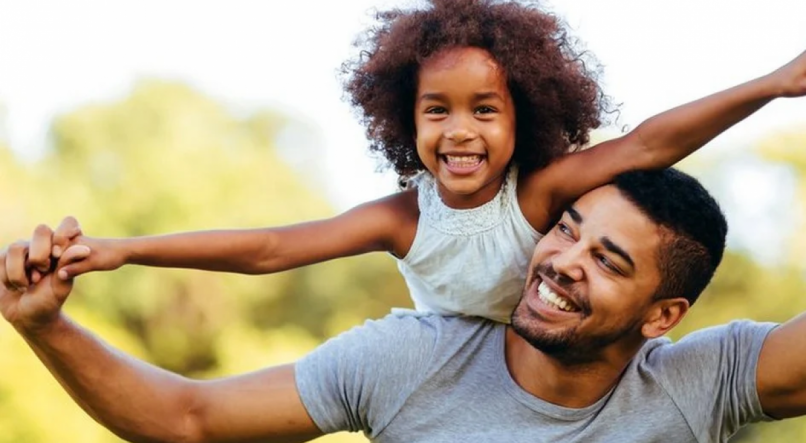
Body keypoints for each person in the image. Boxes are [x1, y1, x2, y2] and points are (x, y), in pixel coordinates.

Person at [42, 0, 806, 323]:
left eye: (485, 109)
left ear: (524, 116)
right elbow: (272, 248)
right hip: (452, 383)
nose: (459, 131)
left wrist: (774, 84)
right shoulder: (403, 218)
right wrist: (125, 249)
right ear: (405, 121)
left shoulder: (538, 195)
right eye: (437, 109)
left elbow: (646, 143)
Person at [5, 168, 806, 442]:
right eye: (567, 229)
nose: (560, 261)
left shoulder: (704, 379)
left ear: (660, 314)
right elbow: (187, 419)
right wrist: (44, 322)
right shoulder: (415, 357)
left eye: (607, 259)